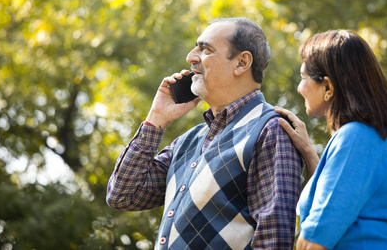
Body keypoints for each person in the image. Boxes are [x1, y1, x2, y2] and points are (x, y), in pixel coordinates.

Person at [106, 17, 304, 249]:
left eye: (205, 49)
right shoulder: (189, 141)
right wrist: (156, 118)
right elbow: (124, 194)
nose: (191, 57)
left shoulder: (271, 130)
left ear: (241, 63)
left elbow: (274, 240)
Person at [275, 30, 387, 249]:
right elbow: (340, 202)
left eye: (303, 77)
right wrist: (309, 152)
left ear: (328, 87)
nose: (299, 87)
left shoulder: (357, 138)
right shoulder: (377, 137)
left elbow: (315, 241)